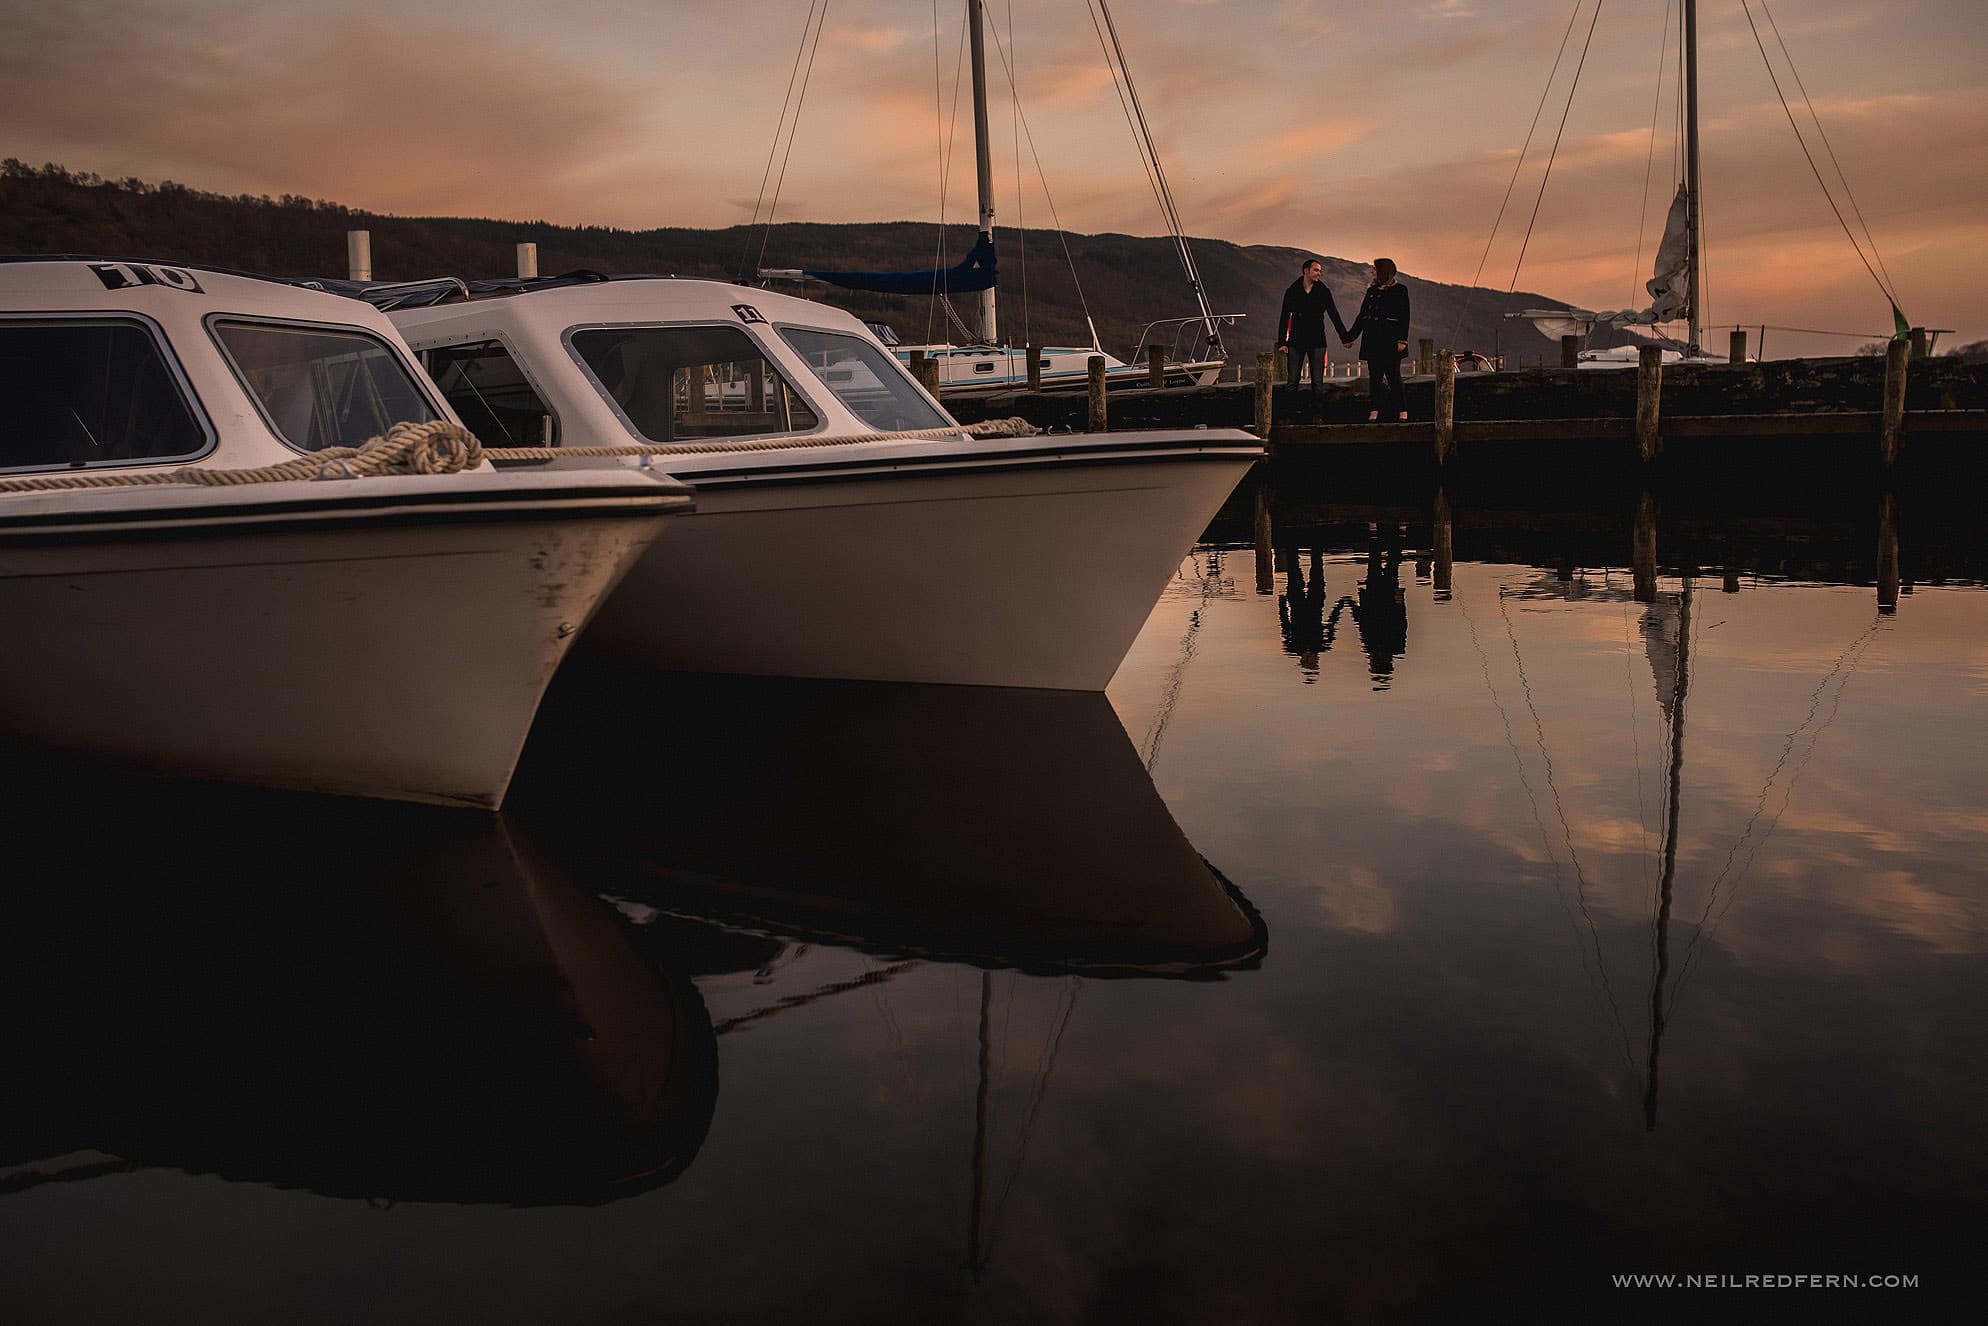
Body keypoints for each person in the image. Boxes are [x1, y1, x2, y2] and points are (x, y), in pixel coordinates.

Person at [1343, 258, 1411, 421]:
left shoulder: (1400, 290)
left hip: (1390, 339)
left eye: (1374, 269)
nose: (1371, 271)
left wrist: (1402, 339)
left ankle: (1402, 410)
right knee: (1375, 377)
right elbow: (1363, 316)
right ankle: (1374, 410)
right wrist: (1351, 336)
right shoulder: (1371, 291)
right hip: (1372, 338)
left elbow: (1405, 315)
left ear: (1382, 271)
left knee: (1394, 376)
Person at [1274, 258, 1346, 393]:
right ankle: (1290, 413)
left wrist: (1345, 338)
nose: (1319, 273)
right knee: (1292, 381)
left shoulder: (1323, 291)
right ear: (1306, 271)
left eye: (1320, 271)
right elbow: (1284, 317)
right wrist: (1282, 342)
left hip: (1317, 340)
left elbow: (1334, 315)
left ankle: (1317, 414)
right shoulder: (1292, 291)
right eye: (1316, 270)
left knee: (1318, 383)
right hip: (1296, 341)